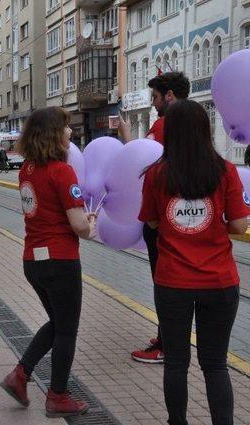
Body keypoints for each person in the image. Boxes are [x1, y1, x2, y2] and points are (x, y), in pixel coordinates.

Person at [139, 99, 248, 425]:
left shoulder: (157, 174)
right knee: (214, 364)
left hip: (173, 282)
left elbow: (153, 223)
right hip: (219, 281)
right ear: (206, 131)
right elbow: (240, 226)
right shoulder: (225, 171)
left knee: (175, 362)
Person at [0, 107, 96, 418]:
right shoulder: (62, 171)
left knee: (57, 323)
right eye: (66, 128)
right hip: (60, 260)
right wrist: (90, 225)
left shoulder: (26, 169)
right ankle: (57, 395)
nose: (71, 133)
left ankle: (21, 375)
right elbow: (79, 226)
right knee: (67, 329)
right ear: (55, 133)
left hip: (34, 259)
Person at [121, 72, 191, 364]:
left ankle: (166, 343)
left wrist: (127, 140)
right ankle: (168, 335)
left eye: (155, 98)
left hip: (161, 217)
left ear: (170, 95)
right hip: (180, 215)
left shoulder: (165, 125)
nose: (154, 104)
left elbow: (146, 164)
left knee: (163, 282)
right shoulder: (193, 126)